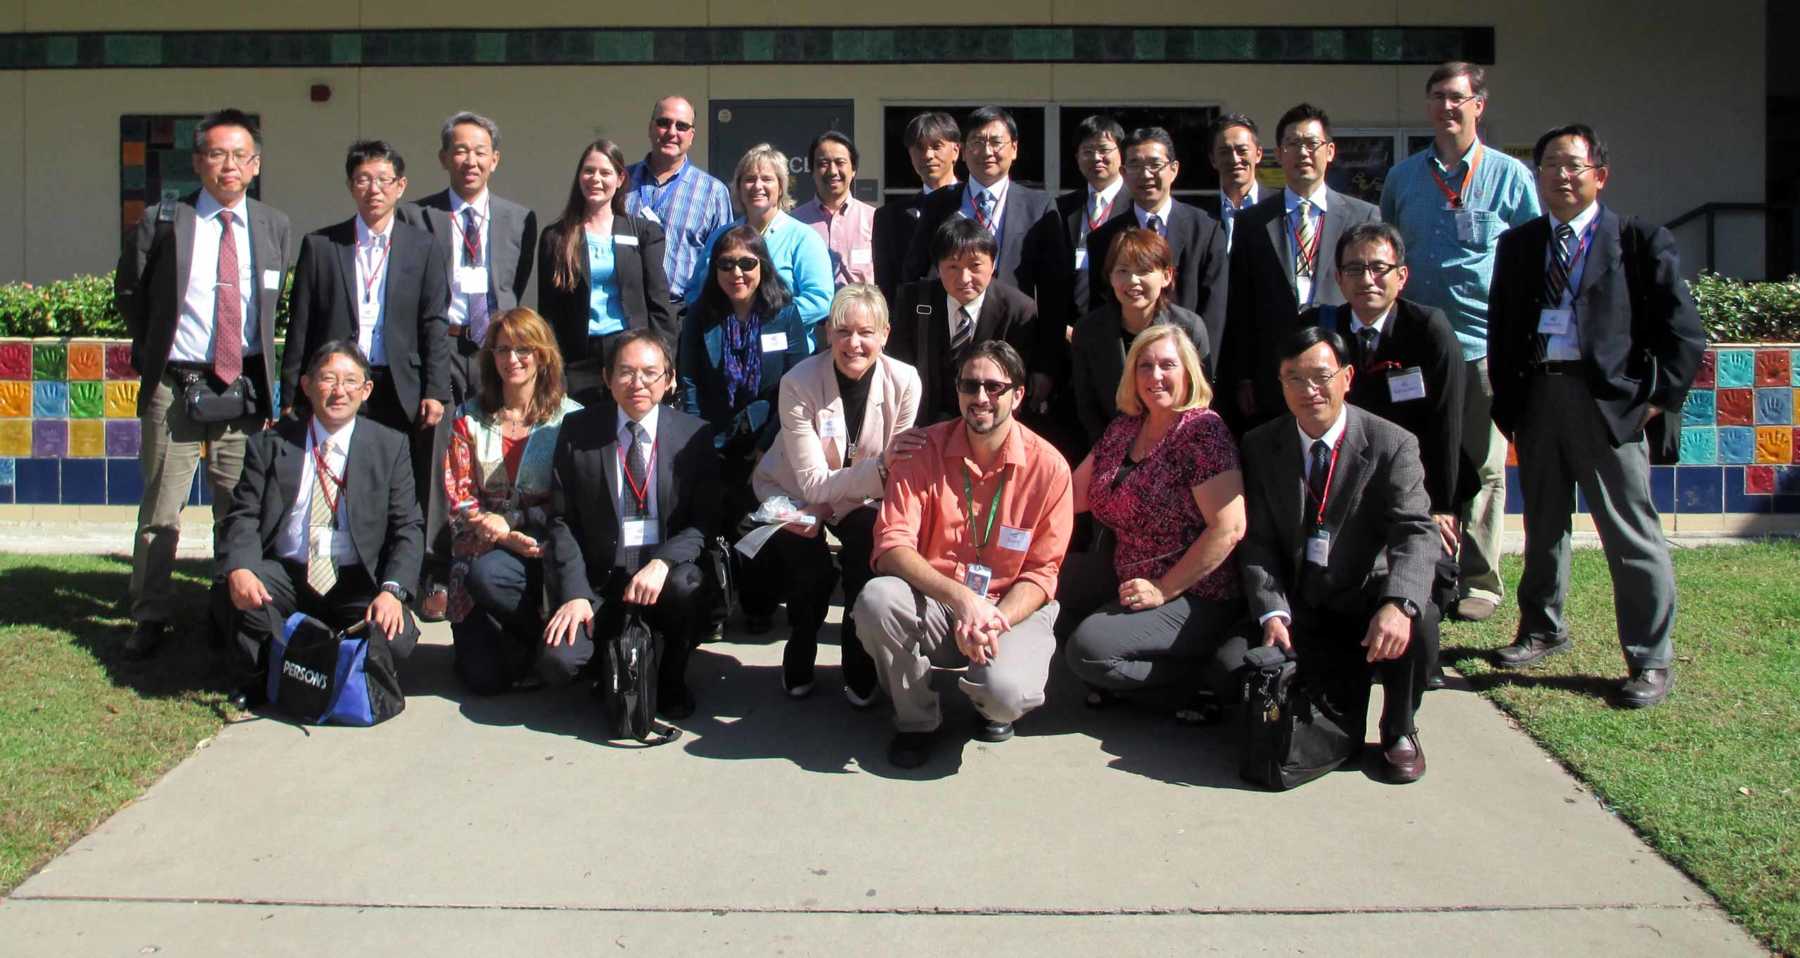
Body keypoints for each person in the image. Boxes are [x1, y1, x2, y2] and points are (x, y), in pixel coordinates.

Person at [1485, 124, 1704, 709]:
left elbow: (1684, 334)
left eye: (1572, 166)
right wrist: (1510, 400)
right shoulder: (1521, 244)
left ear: (1599, 176)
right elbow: (1503, 326)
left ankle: (1650, 659)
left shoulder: (1638, 240)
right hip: (1539, 399)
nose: (1560, 176)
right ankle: (1541, 628)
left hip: (1609, 406)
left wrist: (1656, 399)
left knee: (1630, 533)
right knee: (1543, 526)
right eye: (1549, 165)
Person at [1219, 327, 1439, 783]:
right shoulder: (1261, 444)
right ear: (1279, 384)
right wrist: (1272, 613)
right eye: (1293, 378)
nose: (1308, 390)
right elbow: (1256, 540)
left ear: (1347, 377)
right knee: (1226, 667)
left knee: (1422, 620)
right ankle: (1315, 708)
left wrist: (1398, 603)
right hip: (1300, 601)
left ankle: (1399, 727)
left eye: (1321, 376)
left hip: (1363, 599)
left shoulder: (1391, 443)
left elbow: (1415, 532)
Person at [115, 108, 294, 658]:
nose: (229, 165)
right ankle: (150, 614)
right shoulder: (164, 220)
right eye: (217, 154)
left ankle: (227, 611)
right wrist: (155, 357)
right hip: (177, 386)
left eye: (240, 155)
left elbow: (271, 308)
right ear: (198, 161)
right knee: (161, 511)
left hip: (241, 390)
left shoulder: (273, 225)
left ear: (256, 163)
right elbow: (131, 296)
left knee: (237, 509)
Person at [852, 341, 1073, 769]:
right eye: (970, 385)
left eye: (994, 386)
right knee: (877, 600)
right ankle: (916, 722)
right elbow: (892, 545)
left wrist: (993, 617)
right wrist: (962, 599)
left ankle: (990, 701)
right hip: (941, 601)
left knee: (1007, 694)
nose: (981, 397)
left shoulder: (1049, 468)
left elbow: (1043, 573)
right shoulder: (921, 451)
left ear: (1019, 395)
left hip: (1011, 608)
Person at [1379, 62, 1542, 624]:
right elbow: (1388, 257)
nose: (1447, 107)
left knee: (1485, 464)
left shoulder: (1509, 177)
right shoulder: (1402, 179)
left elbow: (1533, 256)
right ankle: (1420, 568)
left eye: (1457, 98)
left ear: (1479, 105)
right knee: (1418, 459)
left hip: (1483, 345)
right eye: (1437, 98)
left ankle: (1479, 579)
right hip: (1418, 349)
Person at [212, 341, 423, 710]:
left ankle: (326, 663)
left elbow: (408, 527)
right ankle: (256, 679)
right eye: (328, 379)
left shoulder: (390, 446)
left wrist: (392, 591)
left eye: (350, 381)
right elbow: (242, 515)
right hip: (289, 572)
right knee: (239, 595)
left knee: (394, 634)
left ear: (366, 389)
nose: (338, 391)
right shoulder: (271, 443)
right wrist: (242, 568)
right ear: (308, 386)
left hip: (355, 577)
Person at [1304, 222, 1466, 688]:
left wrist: (1441, 506)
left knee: (1421, 582)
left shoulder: (1427, 329)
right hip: (1342, 480)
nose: (1367, 279)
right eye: (1354, 268)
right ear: (1338, 277)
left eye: (1379, 268)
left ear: (1402, 275)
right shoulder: (1321, 328)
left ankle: (1414, 655)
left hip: (1413, 484)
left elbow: (1447, 424)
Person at [1059, 324, 1245, 717]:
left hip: (1194, 591)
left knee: (1086, 652)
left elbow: (1230, 527)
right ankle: (1116, 677)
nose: (1155, 376)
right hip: (1126, 570)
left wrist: (1164, 588)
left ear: (1188, 373)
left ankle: (1201, 685)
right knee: (1044, 590)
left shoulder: (1202, 432)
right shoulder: (1124, 427)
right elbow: (1069, 497)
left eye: (1167, 365)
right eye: (1145, 366)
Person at [398, 111, 541, 622]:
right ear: (443, 159)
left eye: (481, 151)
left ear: (496, 159)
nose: (471, 160)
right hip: (442, 345)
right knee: (438, 454)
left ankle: (485, 553)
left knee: (490, 453)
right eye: (460, 150)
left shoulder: (519, 218)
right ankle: (434, 569)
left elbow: (514, 283)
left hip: (494, 350)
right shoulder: (417, 216)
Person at [749, 284, 923, 701]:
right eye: (843, 331)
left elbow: (896, 472)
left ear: (885, 334)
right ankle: (801, 644)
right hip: (789, 492)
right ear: (827, 333)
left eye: (866, 332)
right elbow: (810, 482)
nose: (854, 343)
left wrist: (879, 472)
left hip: (858, 495)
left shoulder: (905, 380)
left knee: (868, 550)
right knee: (811, 573)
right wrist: (878, 468)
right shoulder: (798, 381)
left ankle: (858, 658)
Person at [542, 329, 721, 718]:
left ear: (669, 379)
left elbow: (703, 522)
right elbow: (561, 521)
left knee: (686, 585)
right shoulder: (578, 431)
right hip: (602, 580)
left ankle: (672, 675)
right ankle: (610, 665)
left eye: (649, 373)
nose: (637, 383)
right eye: (625, 372)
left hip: (663, 579)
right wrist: (574, 593)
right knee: (560, 661)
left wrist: (663, 562)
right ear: (607, 378)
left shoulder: (694, 435)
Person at [282, 139, 450, 529]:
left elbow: (433, 322)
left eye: (383, 180)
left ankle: (399, 567)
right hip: (339, 384)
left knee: (398, 479)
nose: (374, 190)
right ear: (350, 186)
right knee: (338, 471)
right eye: (363, 180)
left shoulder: (422, 246)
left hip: (399, 384)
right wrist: (291, 392)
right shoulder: (322, 245)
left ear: (401, 186)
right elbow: (300, 323)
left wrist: (435, 390)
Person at [440, 308, 581, 695]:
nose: (512, 360)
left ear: (543, 356)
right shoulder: (469, 417)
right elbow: (458, 496)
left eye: (524, 349)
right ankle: (523, 641)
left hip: (546, 544)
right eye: (503, 350)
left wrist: (522, 527)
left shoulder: (571, 419)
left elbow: (579, 498)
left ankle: (538, 640)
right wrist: (502, 535)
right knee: (485, 681)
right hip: (482, 548)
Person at [900, 106, 1074, 413]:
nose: (987, 151)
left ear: (1014, 149)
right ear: (963, 151)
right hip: (949, 345)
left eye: (996, 142)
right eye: (977, 143)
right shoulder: (939, 203)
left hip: (1014, 339)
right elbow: (915, 271)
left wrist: (1046, 366)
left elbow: (1054, 293)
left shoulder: (1040, 206)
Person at [1223, 103, 1380, 429]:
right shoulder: (1253, 222)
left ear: (1330, 151)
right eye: (1293, 144)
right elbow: (1240, 304)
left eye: (1312, 144)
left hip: (1340, 365)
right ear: (1278, 154)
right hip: (1274, 374)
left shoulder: (1362, 216)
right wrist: (1243, 377)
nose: (1303, 153)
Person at [677, 225, 809, 526]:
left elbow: (796, 387)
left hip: (770, 438)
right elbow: (690, 384)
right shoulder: (699, 315)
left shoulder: (784, 315)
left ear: (762, 265)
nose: (736, 273)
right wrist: (700, 444)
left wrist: (766, 447)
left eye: (746, 263)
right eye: (726, 264)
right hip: (714, 439)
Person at [537, 139, 675, 404]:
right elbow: (549, 313)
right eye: (588, 171)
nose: (595, 179)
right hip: (577, 359)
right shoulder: (556, 237)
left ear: (620, 178)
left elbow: (659, 303)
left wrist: (665, 360)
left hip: (629, 354)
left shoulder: (643, 233)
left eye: (605, 172)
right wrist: (551, 366)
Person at [1084, 127, 1228, 355]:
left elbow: (1214, 310)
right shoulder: (1104, 238)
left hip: (1188, 360)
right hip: (1127, 363)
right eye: (1135, 165)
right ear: (1123, 172)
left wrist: (1199, 368)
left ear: (1173, 169)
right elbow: (1102, 311)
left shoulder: (1206, 229)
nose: (1146, 174)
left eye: (1154, 164)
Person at [1069, 228, 1212, 448]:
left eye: (1144, 271)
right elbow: (1087, 407)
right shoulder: (1088, 331)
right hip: (1110, 448)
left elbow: (1199, 400)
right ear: (1110, 277)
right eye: (1123, 270)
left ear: (1166, 276)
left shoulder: (1189, 328)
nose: (1133, 281)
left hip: (1178, 445)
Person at [889, 217, 1040, 425]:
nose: (964, 278)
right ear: (938, 266)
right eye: (953, 267)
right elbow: (898, 368)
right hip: (923, 425)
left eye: (975, 266)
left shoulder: (1019, 310)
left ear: (993, 264)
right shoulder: (912, 301)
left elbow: (1015, 384)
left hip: (988, 425)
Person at [690, 143, 834, 349]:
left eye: (767, 179)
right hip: (724, 351)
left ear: (781, 187)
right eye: (749, 179)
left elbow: (820, 300)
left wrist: (764, 322)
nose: (758, 186)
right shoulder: (720, 237)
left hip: (786, 356)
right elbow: (696, 291)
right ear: (738, 188)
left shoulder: (804, 238)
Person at [623, 95, 734, 307]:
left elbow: (723, 259)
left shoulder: (713, 192)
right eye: (664, 123)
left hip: (682, 313)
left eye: (681, 126)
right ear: (650, 128)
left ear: (691, 136)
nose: (672, 132)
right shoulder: (620, 183)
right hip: (626, 312)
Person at [873, 111, 959, 305]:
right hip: (915, 323)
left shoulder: (974, 203)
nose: (928, 155)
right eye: (919, 148)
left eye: (937, 146)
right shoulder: (888, 217)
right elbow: (886, 285)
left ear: (956, 150)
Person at [1056, 114, 1130, 317]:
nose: (1096, 158)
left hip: (1121, 320)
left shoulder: (1136, 207)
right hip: (1070, 327)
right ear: (1077, 157)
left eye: (1104, 150)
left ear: (1121, 153)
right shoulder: (1060, 208)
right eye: (1087, 151)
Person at [792, 131, 876, 288]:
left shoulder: (874, 219)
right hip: (812, 312)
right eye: (823, 164)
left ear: (853, 170)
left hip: (861, 311)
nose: (832, 171)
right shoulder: (795, 222)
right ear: (812, 171)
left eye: (840, 162)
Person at [1205, 113, 1265, 252]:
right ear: (1213, 159)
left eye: (1242, 150)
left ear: (1258, 154)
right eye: (1224, 152)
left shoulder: (1280, 208)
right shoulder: (1201, 216)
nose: (1234, 159)